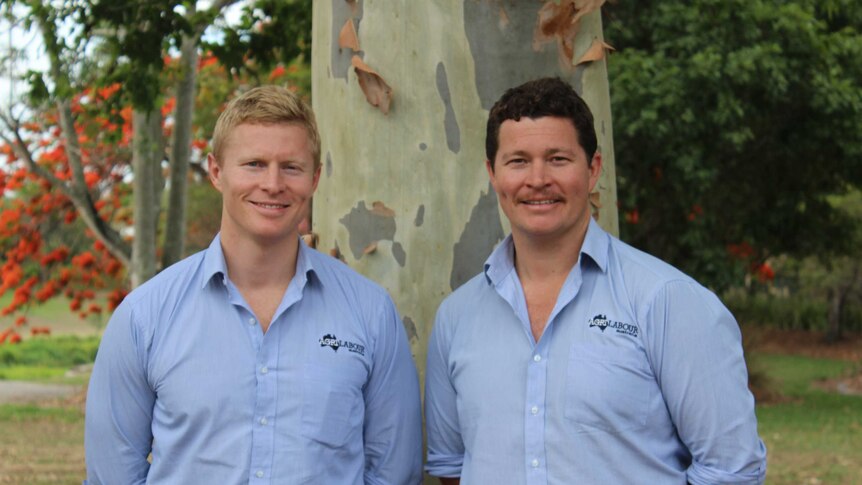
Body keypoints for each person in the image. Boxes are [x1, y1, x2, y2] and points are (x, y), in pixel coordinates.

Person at [424, 77, 767, 484]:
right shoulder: (457, 318)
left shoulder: (669, 302)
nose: (537, 179)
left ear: (593, 169)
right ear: (492, 173)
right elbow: (451, 468)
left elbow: (732, 469)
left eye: (557, 159)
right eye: (518, 161)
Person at [85, 86, 423, 484]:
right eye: (254, 164)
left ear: (315, 178)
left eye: (291, 167)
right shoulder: (145, 317)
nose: (273, 183)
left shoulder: (370, 313)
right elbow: (112, 475)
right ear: (216, 172)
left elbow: (394, 473)